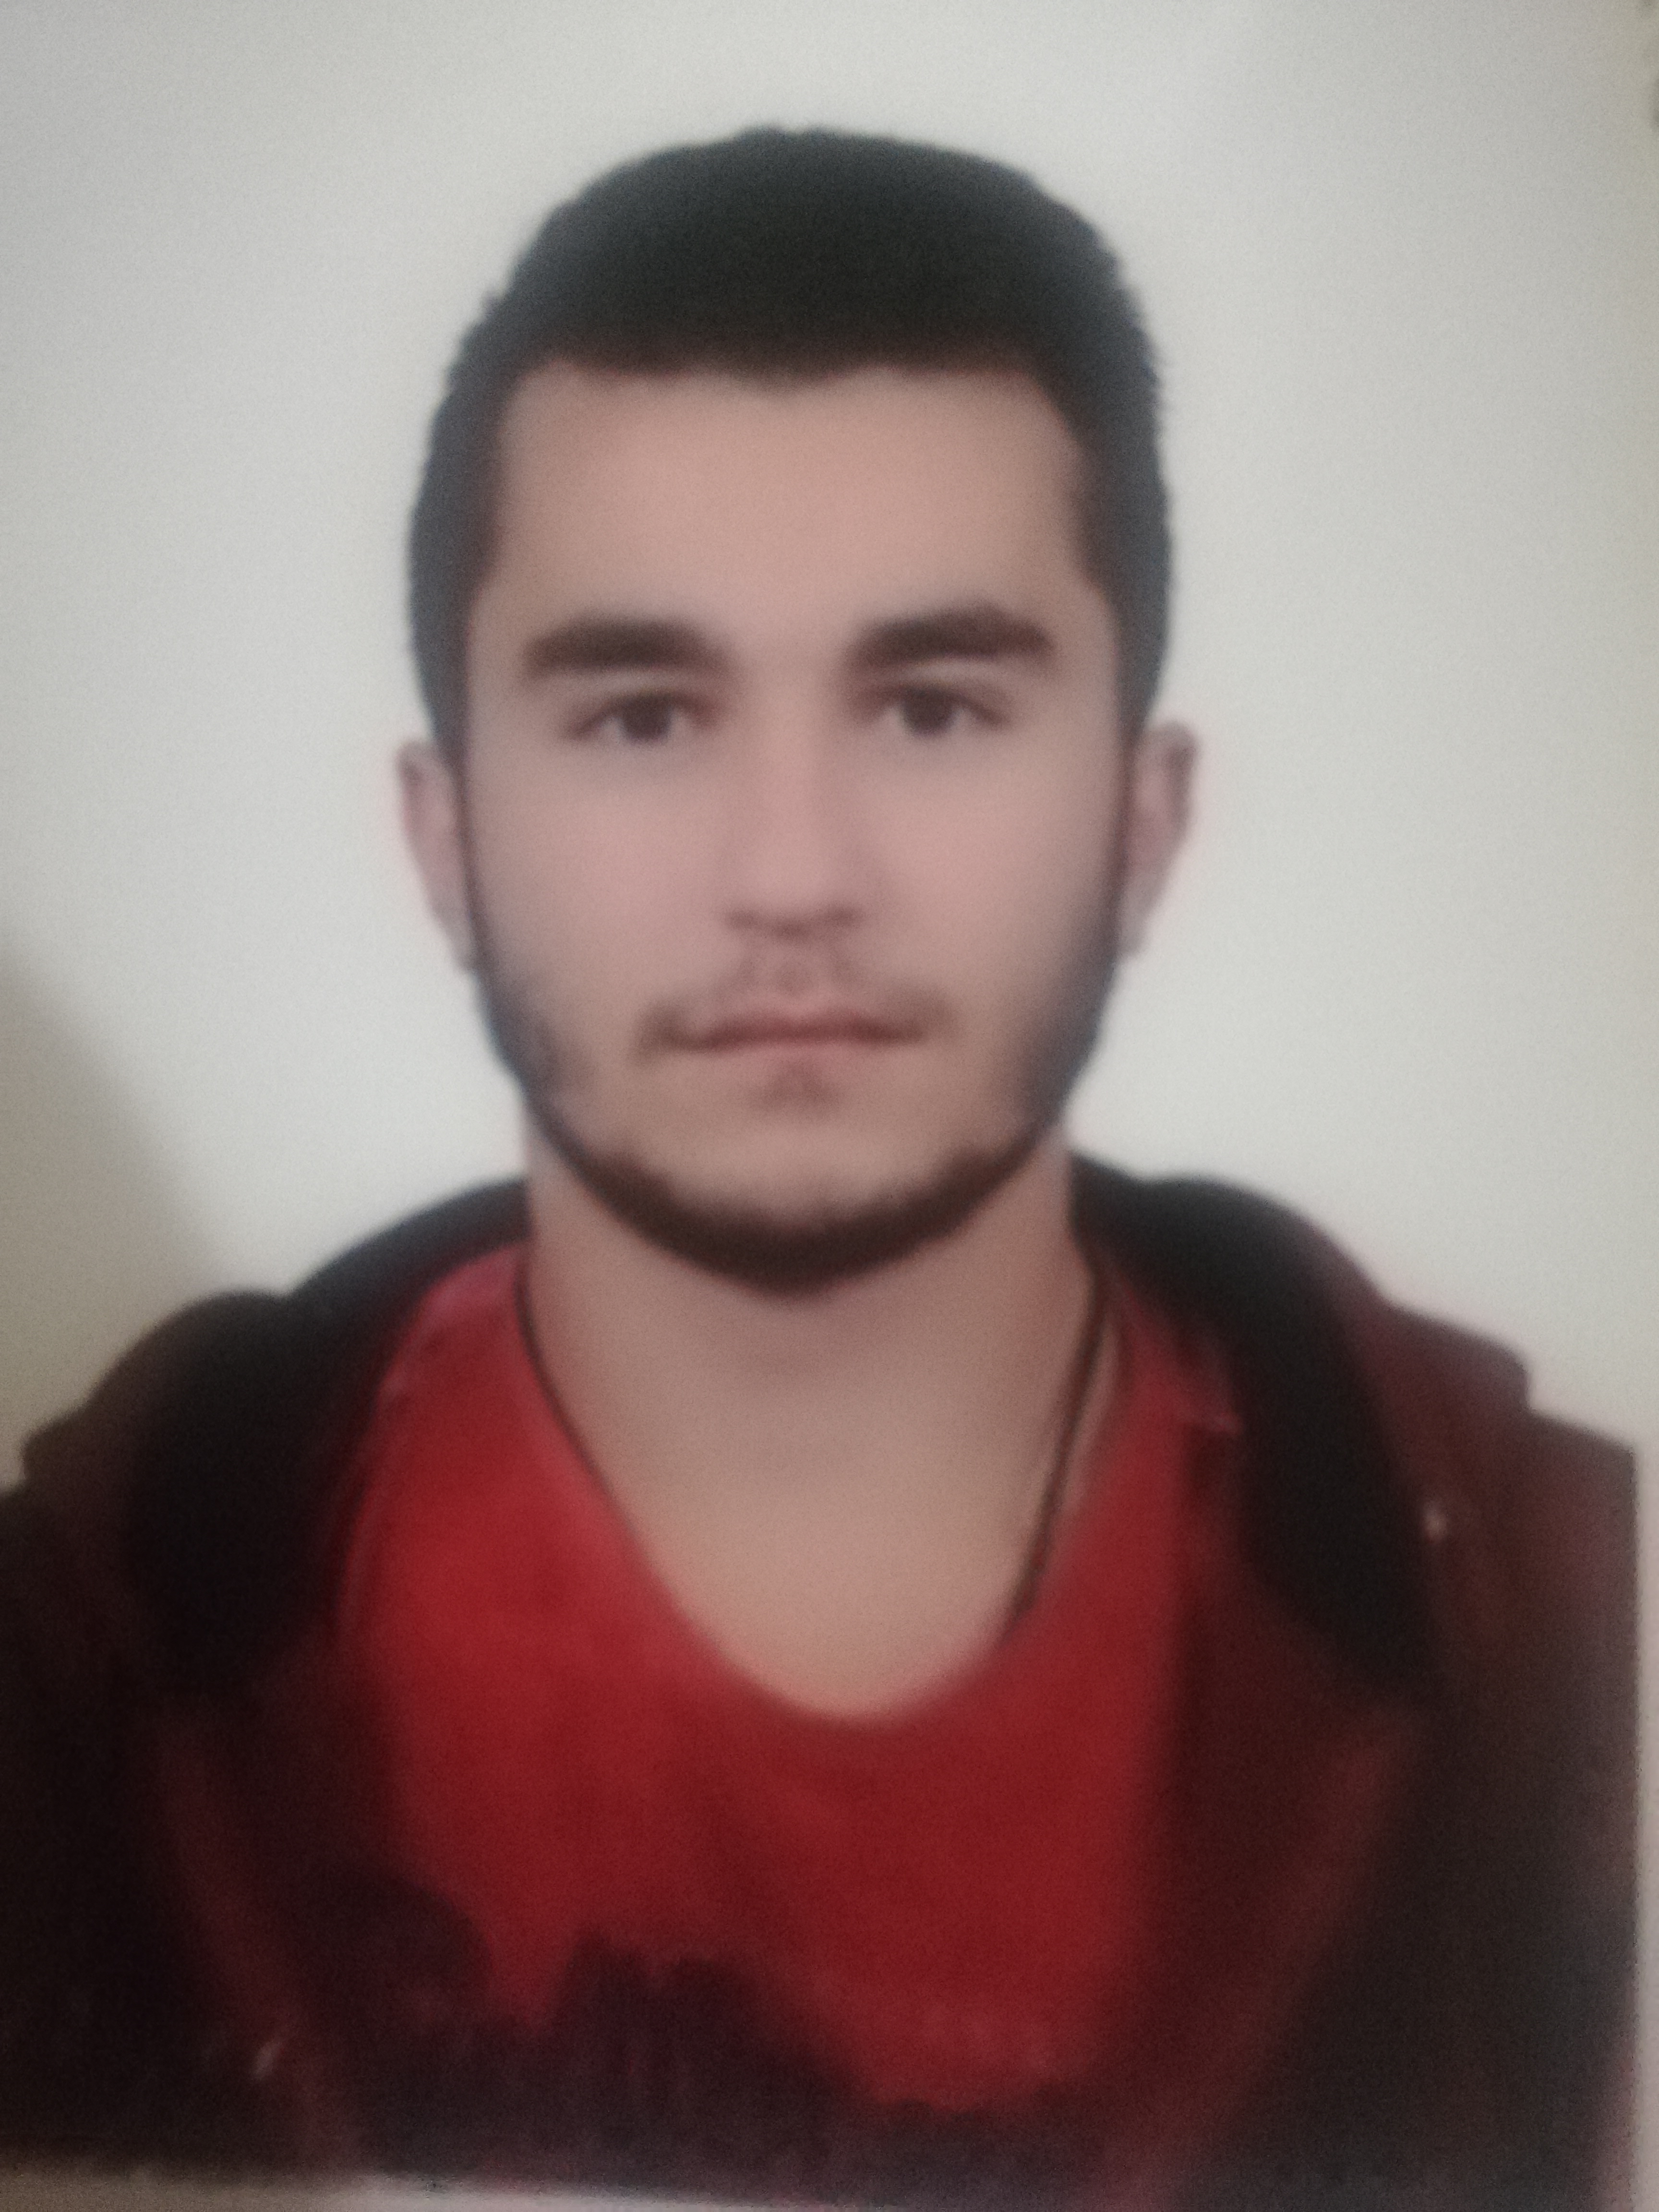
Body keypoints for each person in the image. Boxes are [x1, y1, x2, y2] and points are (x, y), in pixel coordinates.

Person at [0, 130, 1634, 2209]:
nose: (791, 873)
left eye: (934, 709)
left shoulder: (1570, 1646)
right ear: (445, 839)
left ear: (1143, 824)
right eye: (642, 717)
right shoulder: (77, 1673)